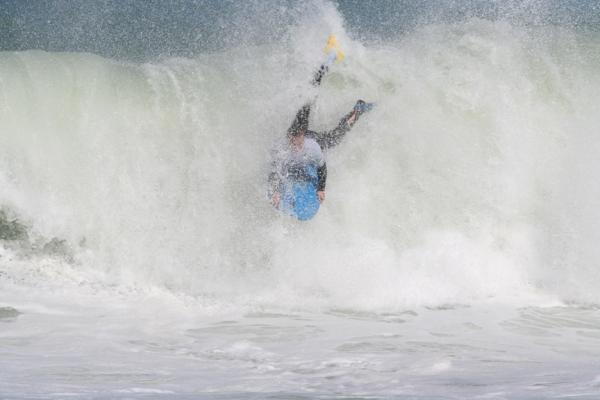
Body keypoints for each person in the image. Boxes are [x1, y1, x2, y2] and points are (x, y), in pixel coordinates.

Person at [268, 100, 373, 209]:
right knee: (304, 113)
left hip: (313, 138)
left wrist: (321, 189)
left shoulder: (312, 146)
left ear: (303, 138)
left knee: (334, 138)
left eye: (299, 144)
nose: (297, 148)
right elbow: (274, 172)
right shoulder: (282, 150)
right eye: (294, 145)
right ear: (289, 139)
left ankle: (358, 110)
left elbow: (322, 167)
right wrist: (275, 191)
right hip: (296, 135)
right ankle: (310, 94)